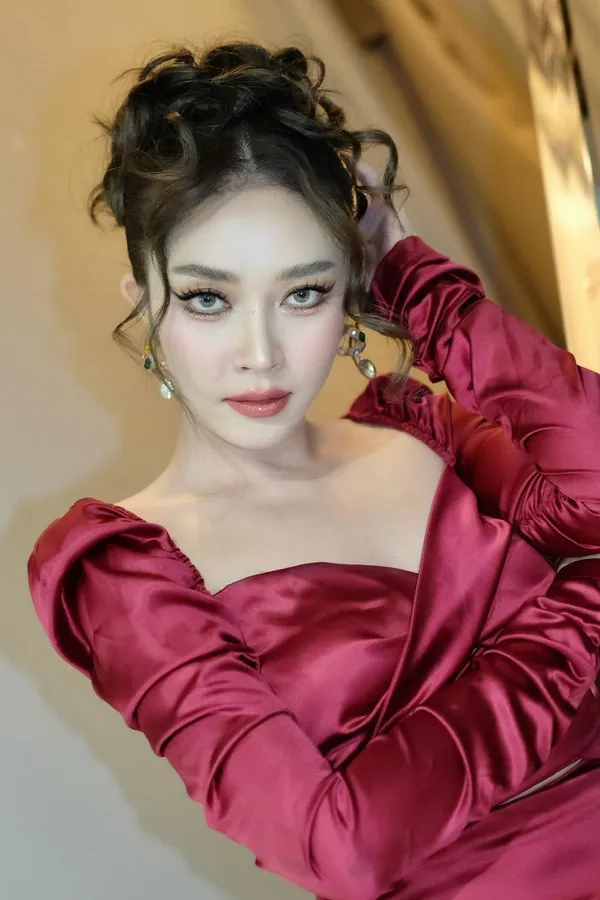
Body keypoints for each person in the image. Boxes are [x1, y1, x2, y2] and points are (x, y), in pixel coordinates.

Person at [27, 42, 600, 899]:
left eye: (304, 293)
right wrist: (583, 613)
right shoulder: (125, 571)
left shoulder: (417, 425)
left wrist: (425, 289)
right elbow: (344, 851)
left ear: (352, 290)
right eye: (209, 298)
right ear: (144, 302)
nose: (260, 354)